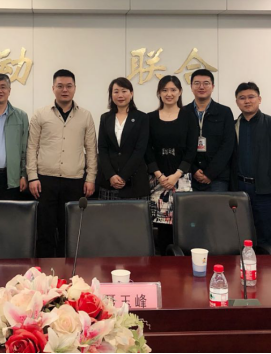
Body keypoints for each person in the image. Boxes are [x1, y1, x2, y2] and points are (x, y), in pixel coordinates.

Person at [27, 69, 98, 258]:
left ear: (75, 88)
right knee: (45, 229)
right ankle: (44, 269)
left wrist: (90, 178)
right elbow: (31, 147)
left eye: (68, 86)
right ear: (53, 88)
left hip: (74, 180)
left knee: (70, 230)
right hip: (45, 180)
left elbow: (91, 149)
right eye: (60, 86)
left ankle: (68, 270)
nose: (64, 90)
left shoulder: (85, 116)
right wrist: (32, 177)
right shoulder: (40, 114)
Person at [234, 82, 271, 250]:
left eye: (251, 97)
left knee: (265, 233)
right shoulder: (233, 125)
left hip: (264, 188)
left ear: (259, 99)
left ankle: (267, 265)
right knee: (240, 232)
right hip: (238, 188)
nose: (247, 101)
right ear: (237, 101)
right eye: (242, 98)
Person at [146, 75, 198, 255]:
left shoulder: (189, 116)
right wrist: (159, 175)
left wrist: (176, 175)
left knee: (183, 226)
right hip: (157, 180)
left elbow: (191, 149)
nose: (169, 94)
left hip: (181, 179)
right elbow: (147, 150)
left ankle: (181, 266)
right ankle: (163, 266)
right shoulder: (150, 118)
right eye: (165, 90)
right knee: (161, 229)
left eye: (173, 90)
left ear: (180, 92)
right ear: (159, 93)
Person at [97, 77, 150, 200]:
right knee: (108, 213)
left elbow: (140, 150)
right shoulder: (105, 118)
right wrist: (111, 175)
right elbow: (102, 148)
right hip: (109, 182)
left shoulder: (142, 118)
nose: (120, 95)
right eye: (116, 91)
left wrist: (123, 176)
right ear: (111, 95)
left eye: (124, 91)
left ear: (131, 93)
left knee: (135, 214)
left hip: (135, 182)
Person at [185, 69, 235, 192]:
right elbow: (181, 145)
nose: (201, 87)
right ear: (191, 87)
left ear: (212, 87)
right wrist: (193, 169)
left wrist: (210, 173)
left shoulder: (224, 112)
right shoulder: (183, 112)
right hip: (189, 176)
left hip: (217, 177)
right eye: (197, 83)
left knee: (216, 205)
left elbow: (228, 145)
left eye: (206, 83)